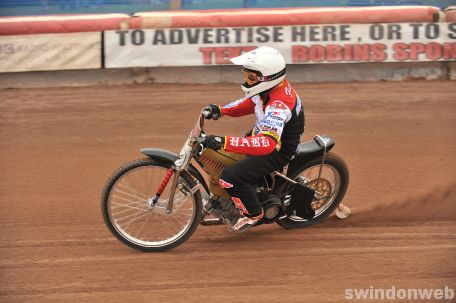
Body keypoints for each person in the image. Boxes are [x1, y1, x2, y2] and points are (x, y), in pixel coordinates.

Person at [201, 46, 305, 232]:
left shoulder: (279, 104)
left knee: (230, 178)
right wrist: (222, 110)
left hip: (277, 151)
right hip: (263, 136)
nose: (247, 81)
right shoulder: (268, 89)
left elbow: (266, 145)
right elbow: (249, 103)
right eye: (246, 76)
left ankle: (253, 213)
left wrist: (224, 141)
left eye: (251, 77)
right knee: (228, 156)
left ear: (267, 78)